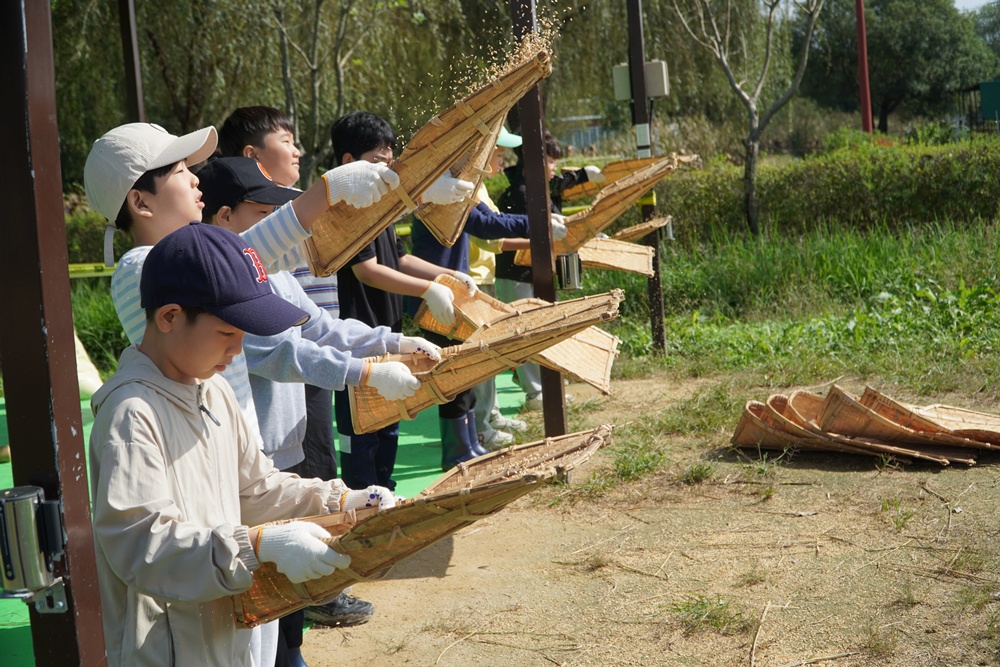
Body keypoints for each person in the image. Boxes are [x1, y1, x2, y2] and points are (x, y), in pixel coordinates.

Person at [83, 121, 403, 667]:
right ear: (139, 200)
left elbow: (253, 489)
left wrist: (339, 500)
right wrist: (321, 197)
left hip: (225, 570)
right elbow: (145, 544)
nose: (197, 180)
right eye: (181, 171)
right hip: (171, 636)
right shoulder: (142, 278)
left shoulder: (212, 388)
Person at [198, 156, 439, 650]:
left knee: (285, 600)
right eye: (261, 214)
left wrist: (389, 342)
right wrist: (365, 371)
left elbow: (320, 329)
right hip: (252, 451)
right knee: (259, 591)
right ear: (224, 218)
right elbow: (280, 351)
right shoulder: (216, 284)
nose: (276, 227)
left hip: (282, 448)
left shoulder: (277, 274)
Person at [329, 111, 484, 482]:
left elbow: (399, 258)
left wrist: (447, 277)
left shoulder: (379, 209)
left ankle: (384, 490)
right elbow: (367, 270)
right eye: (377, 163)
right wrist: (428, 290)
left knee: (390, 419)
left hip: (390, 330)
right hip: (357, 336)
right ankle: (362, 500)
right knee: (360, 430)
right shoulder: (347, 211)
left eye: (389, 163)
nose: (385, 174)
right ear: (348, 163)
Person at [404, 125, 565, 468]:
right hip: (439, 291)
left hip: (455, 287)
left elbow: (490, 221)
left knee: (464, 371)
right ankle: (460, 447)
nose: (499, 157)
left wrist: (539, 222)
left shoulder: (455, 187)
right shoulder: (442, 189)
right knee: (456, 372)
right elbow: (489, 226)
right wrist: (538, 222)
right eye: (492, 150)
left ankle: (466, 443)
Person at [495, 129, 603, 410]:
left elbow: (563, 181)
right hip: (515, 273)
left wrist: (584, 174)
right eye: (550, 161)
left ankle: (546, 386)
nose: (555, 167)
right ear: (534, 162)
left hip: (540, 272)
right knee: (524, 332)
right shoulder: (519, 193)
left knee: (543, 329)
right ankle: (535, 393)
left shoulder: (544, 185)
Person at [467, 126, 530, 449]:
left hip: (484, 276)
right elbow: (490, 233)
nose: (502, 156)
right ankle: (480, 425)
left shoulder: (481, 187)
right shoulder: (471, 190)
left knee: (490, 354)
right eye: (497, 149)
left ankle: (490, 415)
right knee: (481, 356)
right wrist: (536, 231)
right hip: (472, 279)